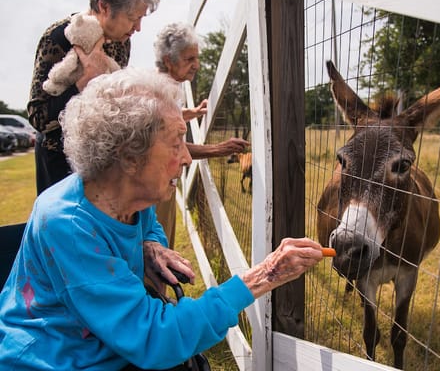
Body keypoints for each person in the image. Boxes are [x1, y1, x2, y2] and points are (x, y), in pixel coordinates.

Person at [0, 67, 324, 370]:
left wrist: (151, 242)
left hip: (105, 343)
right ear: (129, 157)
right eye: (175, 144)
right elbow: (155, 338)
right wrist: (264, 275)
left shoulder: (132, 195)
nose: (186, 158)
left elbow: (150, 225)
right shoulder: (68, 224)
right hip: (57, 358)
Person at [27, 0, 160, 195]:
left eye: (141, 18)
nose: (138, 28)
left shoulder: (122, 42)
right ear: (104, 6)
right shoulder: (57, 38)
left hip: (102, 160)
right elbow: (37, 116)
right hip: (59, 165)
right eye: (133, 18)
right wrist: (83, 83)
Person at [153, 22, 249, 248]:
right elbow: (171, 146)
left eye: (197, 58)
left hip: (162, 182)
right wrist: (220, 149)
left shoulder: (166, 87)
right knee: (158, 248)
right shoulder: (160, 92)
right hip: (155, 186)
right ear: (168, 60)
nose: (196, 65)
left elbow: (162, 121)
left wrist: (189, 113)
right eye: (189, 59)